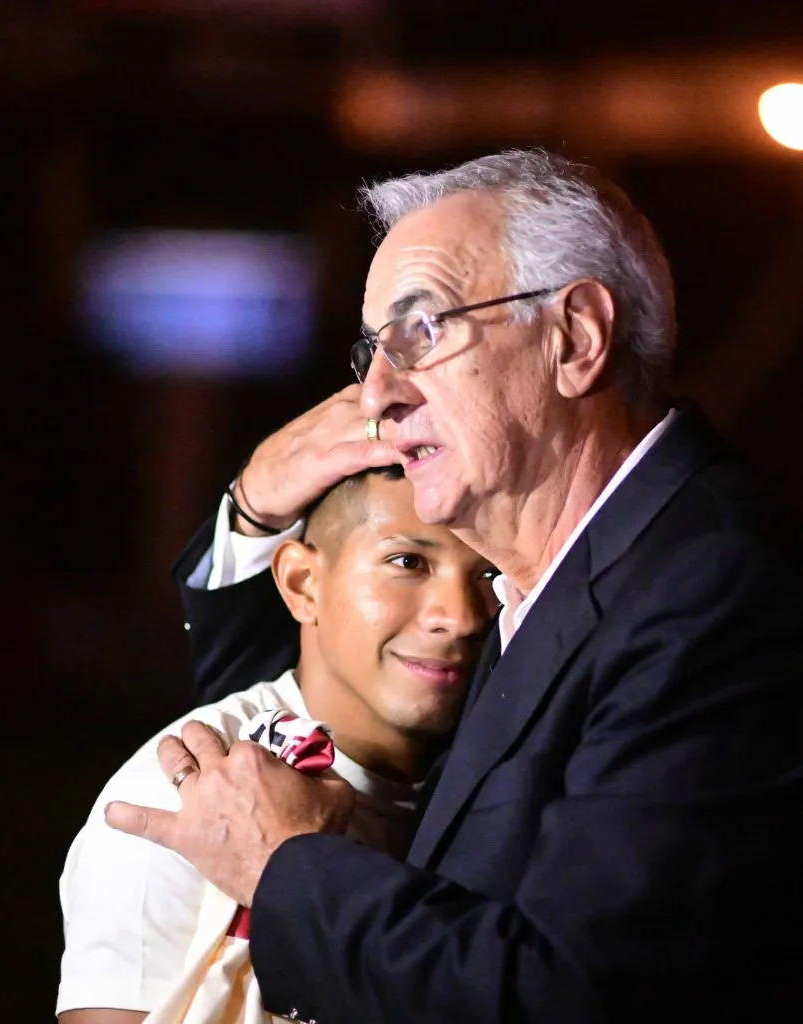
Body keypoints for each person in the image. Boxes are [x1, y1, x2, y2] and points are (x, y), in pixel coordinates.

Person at [108, 148, 803, 1022]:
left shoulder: (710, 597)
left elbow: (562, 996)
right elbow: (310, 700)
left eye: (421, 331)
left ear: (575, 338)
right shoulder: (547, 583)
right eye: (372, 349)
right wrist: (249, 507)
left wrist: (284, 864)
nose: (375, 396)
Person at [57, 466, 499, 1022]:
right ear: (302, 584)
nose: (460, 616)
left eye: (489, 573)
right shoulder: (178, 796)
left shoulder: (516, 770)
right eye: (408, 562)